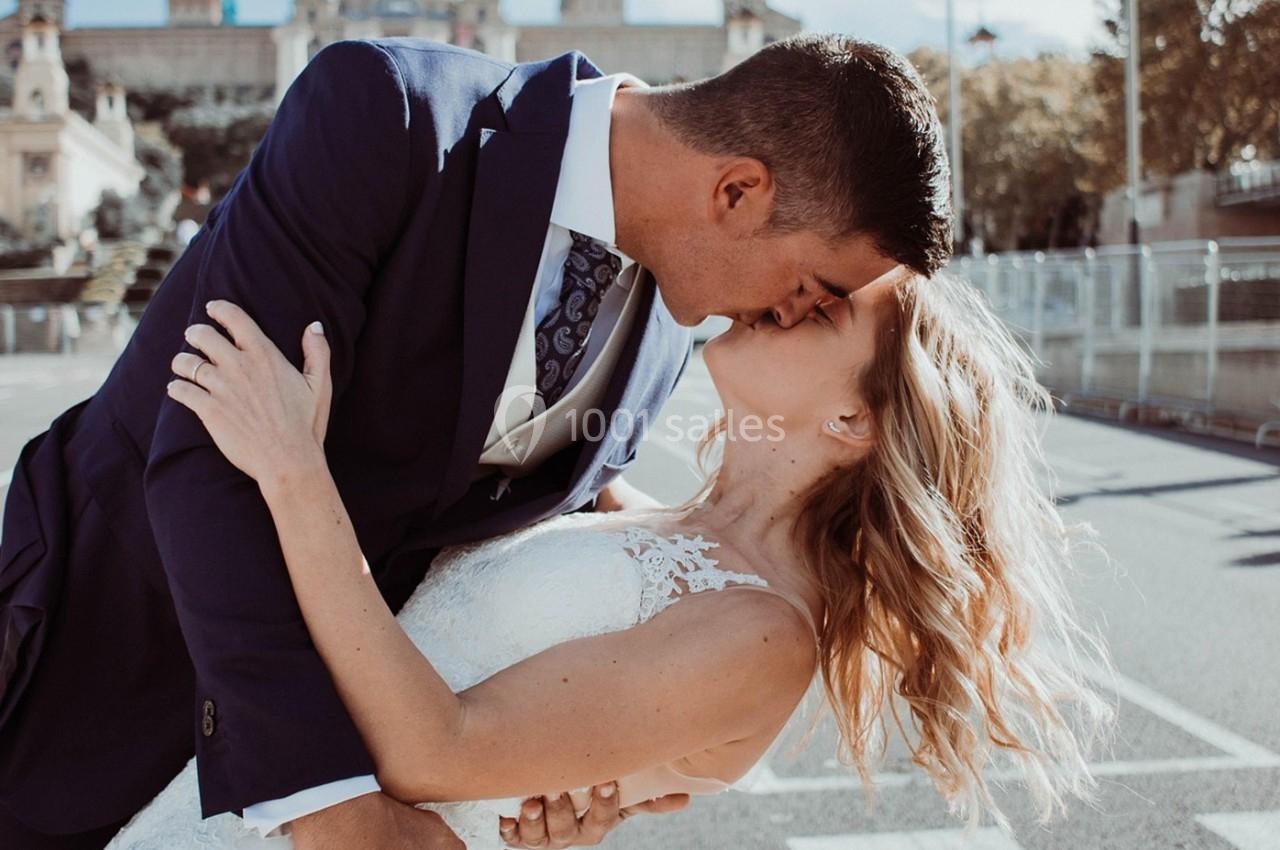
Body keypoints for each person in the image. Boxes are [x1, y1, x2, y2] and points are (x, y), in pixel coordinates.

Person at [0, 34, 952, 848]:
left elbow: (510, 531)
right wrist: (326, 802)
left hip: (372, 755)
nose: (794, 312)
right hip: (107, 665)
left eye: (822, 312)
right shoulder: (387, 113)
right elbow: (209, 440)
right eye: (815, 286)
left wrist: (576, 755)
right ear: (739, 191)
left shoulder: (674, 330)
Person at [109, 269, 1113, 848]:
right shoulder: (632, 506)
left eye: (824, 308)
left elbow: (435, 749)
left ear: (853, 418)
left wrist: (293, 471)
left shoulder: (764, 636)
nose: (784, 291)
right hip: (259, 796)